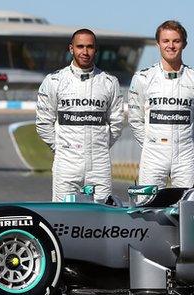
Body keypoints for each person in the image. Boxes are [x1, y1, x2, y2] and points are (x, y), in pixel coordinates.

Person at [36, 28, 124, 202]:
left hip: (99, 163)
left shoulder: (109, 82)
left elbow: (117, 122)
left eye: (90, 47)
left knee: (102, 217)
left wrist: (99, 146)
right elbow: (43, 124)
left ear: (96, 50)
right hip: (66, 163)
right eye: (80, 46)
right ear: (71, 49)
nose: (85, 52)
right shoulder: (54, 81)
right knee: (64, 218)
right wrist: (61, 148)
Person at [128, 20, 194, 189]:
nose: (171, 46)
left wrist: (186, 142)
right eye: (166, 41)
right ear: (158, 44)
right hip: (153, 153)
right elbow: (135, 119)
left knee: (187, 205)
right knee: (148, 205)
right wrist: (151, 144)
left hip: (185, 154)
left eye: (176, 41)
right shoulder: (142, 78)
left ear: (184, 44)